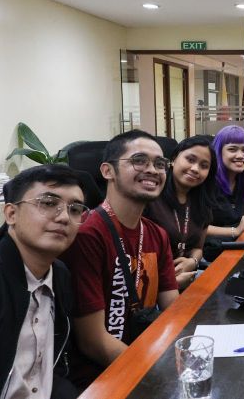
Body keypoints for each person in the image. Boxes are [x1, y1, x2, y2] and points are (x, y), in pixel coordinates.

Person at [0, 164, 87, 399]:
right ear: (11, 214)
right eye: (48, 203)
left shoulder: (60, 275)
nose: (64, 216)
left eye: (75, 209)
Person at [61, 130, 179, 387]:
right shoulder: (87, 234)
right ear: (107, 171)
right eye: (139, 160)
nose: (152, 170)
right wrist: (159, 374)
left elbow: (173, 309)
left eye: (160, 164)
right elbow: (93, 342)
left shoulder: (156, 234)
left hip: (145, 356)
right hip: (101, 378)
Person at [145, 136, 216, 290]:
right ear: (173, 159)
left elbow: (198, 248)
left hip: (185, 278)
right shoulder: (151, 196)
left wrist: (192, 262)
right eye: (190, 160)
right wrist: (169, 283)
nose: (196, 169)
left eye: (204, 166)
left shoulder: (202, 202)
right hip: (153, 284)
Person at [207, 126, 244, 241]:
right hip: (209, 252)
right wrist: (235, 230)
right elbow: (195, 227)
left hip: (236, 244)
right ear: (219, 152)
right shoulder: (207, 182)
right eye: (232, 149)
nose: (240, 156)